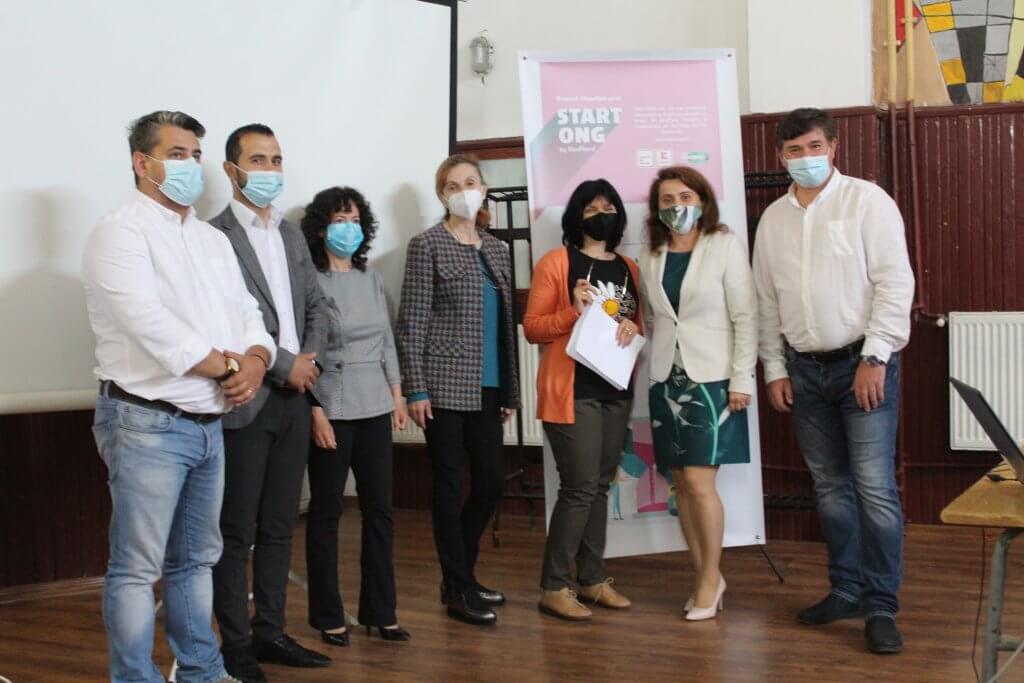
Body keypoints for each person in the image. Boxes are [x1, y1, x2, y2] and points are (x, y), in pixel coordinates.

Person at [82, 110, 275, 683]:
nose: (190, 164)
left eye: (195, 154)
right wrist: (229, 367)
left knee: (196, 561)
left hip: (208, 424)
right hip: (146, 422)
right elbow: (150, 324)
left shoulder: (212, 239)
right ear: (142, 164)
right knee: (137, 568)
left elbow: (249, 314)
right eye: (177, 154)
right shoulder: (120, 231)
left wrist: (257, 361)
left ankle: (202, 672)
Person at [753, 108, 914, 654]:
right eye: (794, 150)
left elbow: (895, 283)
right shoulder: (773, 220)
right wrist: (774, 368)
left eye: (814, 147)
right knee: (829, 488)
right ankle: (845, 590)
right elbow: (766, 300)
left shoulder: (867, 201)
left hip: (862, 366)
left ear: (834, 147)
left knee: (874, 488)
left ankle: (881, 604)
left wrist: (876, 357)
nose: (806, 158)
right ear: (780, 156)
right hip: (803, 371)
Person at [207, 124, 331, 680]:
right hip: (246, 399)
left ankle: (270, 632)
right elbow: (224, 322)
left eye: (276, 159)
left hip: (294, 401)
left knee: (281, 524)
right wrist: (284, 365)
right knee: (237, 530)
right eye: (258, 160)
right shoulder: (213, 237)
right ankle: (235, 645)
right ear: (232, 170)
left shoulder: (291, 233)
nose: (271, 170)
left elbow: (318, 306)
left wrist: (309, 361)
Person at [396, 153, 520, 626]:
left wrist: (510, 390)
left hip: (489, 386)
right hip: (443, 387)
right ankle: (457, 588)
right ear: (442, 195)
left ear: (484, 189)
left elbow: (504, 326)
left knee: (490, 482)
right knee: (448, 487)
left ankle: (460, 576)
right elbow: (412, 323)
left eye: (470, 182)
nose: (463, 191)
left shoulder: (497, 250)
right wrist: (415, 389)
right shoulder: (426, 245)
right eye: (453, 185)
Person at [638, 166, 757, 622]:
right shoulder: (652, 254)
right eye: (667, 200)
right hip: (666, 379)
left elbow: (745, 316)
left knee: (701, 483)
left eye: (685, 197)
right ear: (657, 209)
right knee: (682, 484)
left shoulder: (723, 246)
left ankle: (711, 578)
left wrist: (742, 379)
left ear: (702, 201)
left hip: (714, 380)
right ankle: (704, 574)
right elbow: (655, 318)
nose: (677, 206)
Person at [523, 179, 642, 621]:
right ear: (576, 216)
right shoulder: (557, 262)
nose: (601, 215)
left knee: (598, 487)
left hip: (615, 390)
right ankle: (554, 586)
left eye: (608, 208)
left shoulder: (629, 266)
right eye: (591, 209)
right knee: (579, 488)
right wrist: (572, 310)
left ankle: (592, 579)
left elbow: (634, 323)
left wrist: (632, 328)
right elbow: (533, 327)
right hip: (572, 393)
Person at [300, 186, 411, 645]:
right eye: (339, 221)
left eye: (354, 221)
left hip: (376, 405)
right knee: (327, 512)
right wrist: (315, 411)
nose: (349, 229)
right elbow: (304, 353)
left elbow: (387, 341)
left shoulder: (371, 279)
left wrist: (397, 395)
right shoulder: (310, 282)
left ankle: (382, 612)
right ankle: (328, 615)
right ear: (320, 229)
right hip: (332, 405)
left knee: (380, 510)